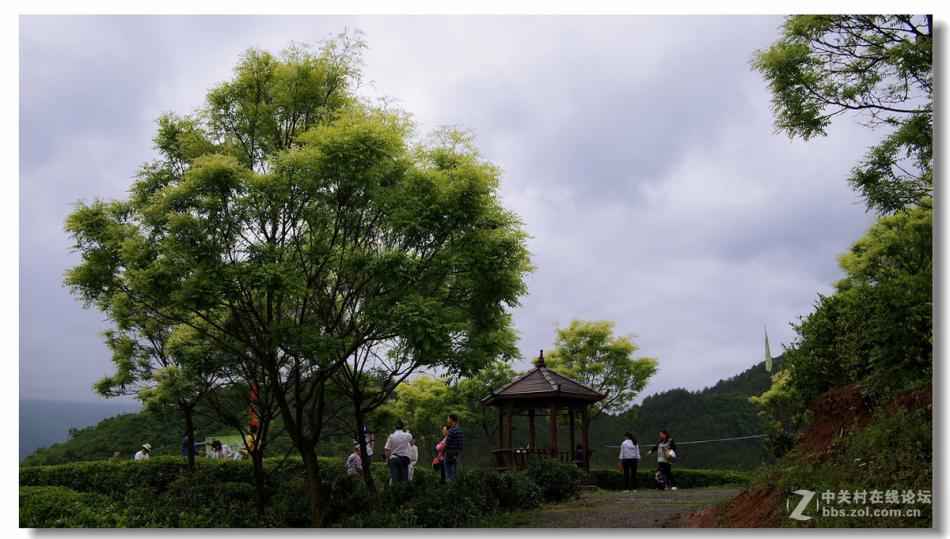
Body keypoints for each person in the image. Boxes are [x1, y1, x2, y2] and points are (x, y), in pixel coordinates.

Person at [444, 414, 463, 481]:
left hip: (449, 455)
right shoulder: (460, 430)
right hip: (456, 455)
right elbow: (461, 445)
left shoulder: (451, 431)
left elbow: (446, 444)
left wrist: (446, 435)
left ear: (451, 420)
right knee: (455, 475)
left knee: (449, 476)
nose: (447, 420)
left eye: (448, 419)